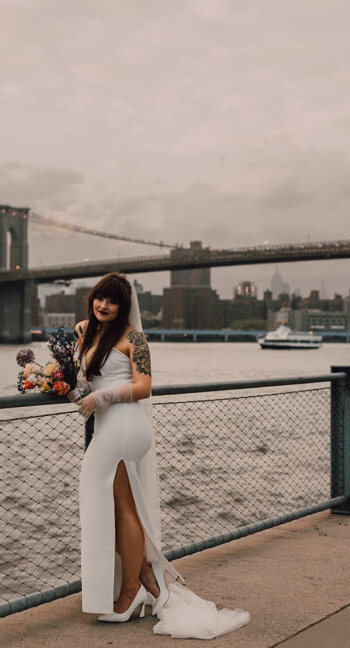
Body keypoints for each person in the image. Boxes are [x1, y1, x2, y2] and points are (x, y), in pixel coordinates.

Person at [71, 273, 250, 637]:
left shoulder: (134, 338)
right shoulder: (87, 332)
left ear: (125, 307)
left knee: (121, 508)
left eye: (113, 301)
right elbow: (82, 375)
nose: (103, 306)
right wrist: (57, 382)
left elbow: (144, 386)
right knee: (115, 508)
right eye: (99, 298)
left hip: (125, 425)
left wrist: (100, 397)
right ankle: (146, 583)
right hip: (108, 427)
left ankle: (131, 592)